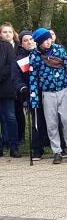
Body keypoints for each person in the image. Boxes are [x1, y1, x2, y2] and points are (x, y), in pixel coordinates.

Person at [28, 28, 67, 164]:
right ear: (39, 42)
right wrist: (34, 98)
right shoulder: (34, 55)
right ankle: (57, 151)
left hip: (63, 90)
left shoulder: (59, 50)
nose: (48, 42)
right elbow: (33, 78)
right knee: (51, 124)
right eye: (45, 40)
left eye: (49, 38)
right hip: (47, 93)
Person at [12, 30, 48, 159]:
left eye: (31, 39)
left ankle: (58, 146)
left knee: (54, 120)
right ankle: (37, 148)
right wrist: (22, 88)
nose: (29, 42)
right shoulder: (19, 60)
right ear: (21, 44)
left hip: (48, 92)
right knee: (37, 121)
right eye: (25, 40)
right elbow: (16, 78)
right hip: (32, 94)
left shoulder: (43, 54)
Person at [0, 24, 20, 157]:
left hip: (6, 87)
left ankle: (14, 147)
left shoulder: (7, 47)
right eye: (4, 32)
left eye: (9, 32)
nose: (7, 34)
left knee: (10, 117)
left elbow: (11, 65)